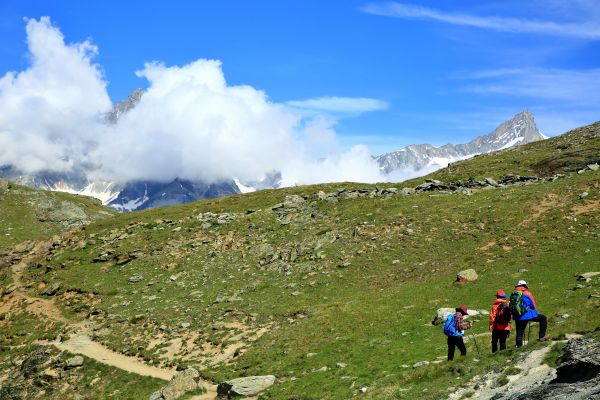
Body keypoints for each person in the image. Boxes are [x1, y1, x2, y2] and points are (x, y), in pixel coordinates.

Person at [511, 280, 548, 347]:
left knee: (519, 332)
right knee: (543, 318)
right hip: (527, 315)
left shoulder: (514, 294)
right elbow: (533, 305)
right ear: (525, 286)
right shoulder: (527, 293)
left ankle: (519, 347)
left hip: (517, 316)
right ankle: (542, 337)